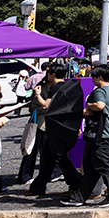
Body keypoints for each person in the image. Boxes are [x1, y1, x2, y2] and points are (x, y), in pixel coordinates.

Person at [62, 66, 109, 207]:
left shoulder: (100, 91)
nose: (92, 80)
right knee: (91, 166)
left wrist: (89, 106)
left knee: (105, 165)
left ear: (100, 77)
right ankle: (79, 197)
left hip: (101, 134)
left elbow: (100, 105)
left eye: (93, 77)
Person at [27, 66, 83, 197]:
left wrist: (37, 94)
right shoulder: (70, 87)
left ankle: (76, 182)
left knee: (59, 156)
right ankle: (38, 186)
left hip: (54, 129)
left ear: (52, 74)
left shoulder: (56, 88)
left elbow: (46, 105)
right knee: (48, 157)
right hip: (65, 126)